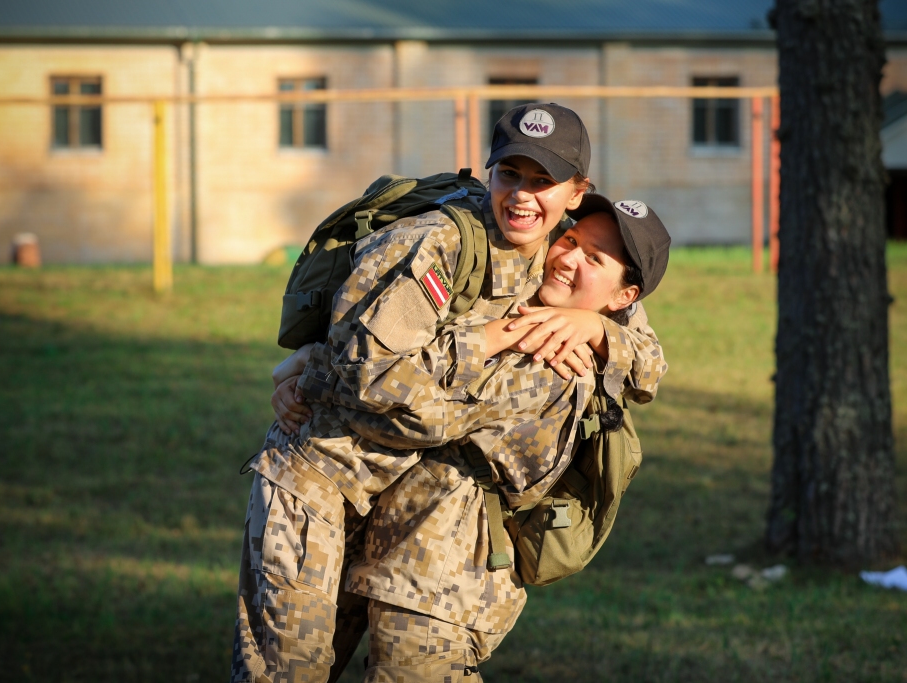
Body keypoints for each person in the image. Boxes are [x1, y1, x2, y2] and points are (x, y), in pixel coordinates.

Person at [230, 103, 666, 683]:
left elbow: (648, 360)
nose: (523, 197)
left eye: (543, 182)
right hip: (320, 478)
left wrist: (603, 330)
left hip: (398, 504)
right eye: (509, 175)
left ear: (575, 193)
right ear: (489, 171)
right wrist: (494, 335)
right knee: (287, 673)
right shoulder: (438, 244)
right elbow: (378, 385)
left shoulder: (567, 262)